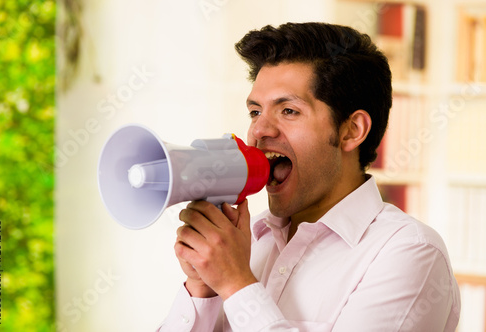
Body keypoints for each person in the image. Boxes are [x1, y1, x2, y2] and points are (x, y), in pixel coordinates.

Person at [157, 22, 460, 331]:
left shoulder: (409, 253)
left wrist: (237, 285)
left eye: (288, 111)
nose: (259, 130)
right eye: (255, 111)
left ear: (351, 131)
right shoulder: (249, 242)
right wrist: (202, 289)